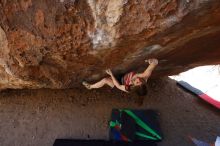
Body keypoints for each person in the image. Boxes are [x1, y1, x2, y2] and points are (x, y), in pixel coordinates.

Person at [82, 58, 158, 96]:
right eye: (141, 81)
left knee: (105, 80)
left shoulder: (128, 88)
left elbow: (118, 86)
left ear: (134, 86)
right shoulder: (144, 77)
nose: (138, 79)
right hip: (124, 76)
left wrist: (111, 75)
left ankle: (90, 87)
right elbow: (155, 63)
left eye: (137, 82)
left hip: (120, 82)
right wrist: (152, 61)